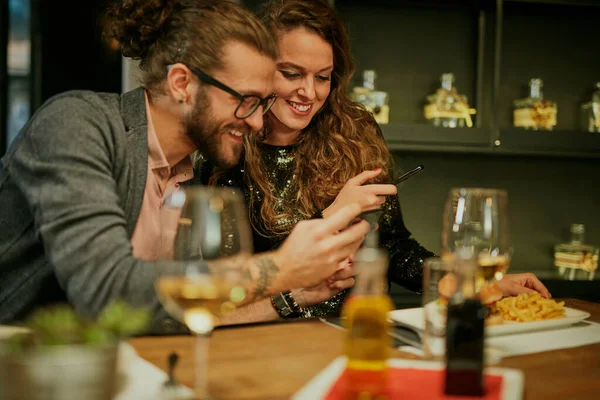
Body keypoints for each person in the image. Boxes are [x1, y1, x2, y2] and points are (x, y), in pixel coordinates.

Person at [0, 0, 371, 333]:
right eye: (246, 100)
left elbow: (179, 307)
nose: (257, 122)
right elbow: (106, 292)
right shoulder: (77, 124)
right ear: (182, 83)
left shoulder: (188, 176)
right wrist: (278, 268)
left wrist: (295, 293)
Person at [206, 0, 551, 324]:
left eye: (322, 77)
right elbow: (229, 283)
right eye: (291, 74)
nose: (309, 93)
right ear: (260, 67)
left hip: (358, 328)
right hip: (267, 339)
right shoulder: (228, 141)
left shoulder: (354, 129)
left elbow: (395, 248)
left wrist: (479, 282)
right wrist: (333, 216)